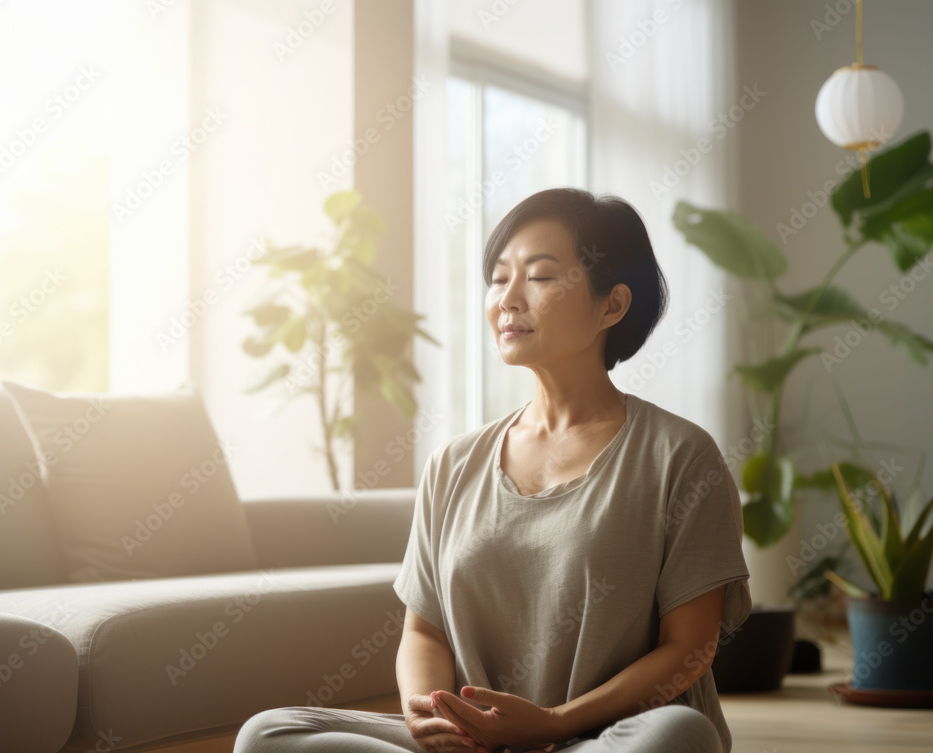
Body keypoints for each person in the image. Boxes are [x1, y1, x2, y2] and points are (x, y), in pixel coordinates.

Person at [234, 187, 751, 753]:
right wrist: (435, 720)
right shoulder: (454, 463)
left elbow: (690, 651)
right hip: (475, 745)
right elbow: (422, 632)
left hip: (596, 740)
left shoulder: (680, 456)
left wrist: (554, 723)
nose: (508, 298)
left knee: (680, 735)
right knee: (270, 735)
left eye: (541, 276)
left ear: (613, 305)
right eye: (499, 277)